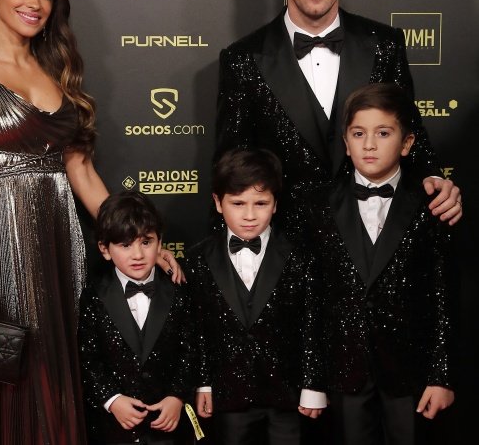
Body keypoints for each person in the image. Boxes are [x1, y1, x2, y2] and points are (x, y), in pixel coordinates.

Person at [0, 0, 180, 444]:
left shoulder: (60, 77)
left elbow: (84, 177)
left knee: (57, 378)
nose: (35, 2)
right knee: (8, 386)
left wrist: (142, 243)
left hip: (58, 246)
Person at [215, 0, 462, 236]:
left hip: (372, 249)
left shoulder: (385, 45)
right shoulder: (242, 59)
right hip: (286, 258)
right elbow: (230, 172)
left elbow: (411, 135)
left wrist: (434, 177)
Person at [299, 83, 455, 445]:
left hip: (411, 375)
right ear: (346, 141)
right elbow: (311, 297)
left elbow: (444, 296)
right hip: (344, 372)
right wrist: (312, 379)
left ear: (406, 143)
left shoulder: (432, 205)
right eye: (359, 133)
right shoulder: (318, 205)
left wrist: (441, 375)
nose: (369, 144)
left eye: (383, 133)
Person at [184, 148, 326, 445]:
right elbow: (196, 327)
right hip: (228, 394)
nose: (249, 215)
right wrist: (203, 382)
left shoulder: (299, 254)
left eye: (261, 203)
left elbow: (312, 323)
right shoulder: (197, 259)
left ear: (275, 204)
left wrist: (313, 386)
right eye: (238, 203)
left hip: (288, 394)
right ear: (218, 203)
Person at [77, 191, 195, 445]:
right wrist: (112, 400)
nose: (138, 254)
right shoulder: (94, 294)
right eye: (125, 245)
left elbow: (190, 351)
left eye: (146, 242)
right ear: (105, 250)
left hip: (169, 428)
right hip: (113, 429)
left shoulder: (178, 290)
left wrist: (177, 397)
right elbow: (87, 357)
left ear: (160, 242)